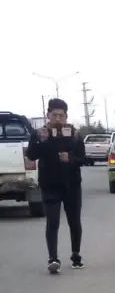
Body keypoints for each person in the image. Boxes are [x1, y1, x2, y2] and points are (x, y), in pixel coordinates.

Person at [26, 98, 85, 273]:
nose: (58, 118)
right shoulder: (39, 134)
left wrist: (71, 159)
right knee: (52, 222)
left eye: (62, 115)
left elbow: (83, 158)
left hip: (72, 185)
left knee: (74, 222)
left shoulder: (74, 134)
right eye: (54, 115)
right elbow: (31, 155)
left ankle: (76, 256)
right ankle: (53, 258)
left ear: (66, 116)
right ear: (48, 115)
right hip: (50, 184)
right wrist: (41, 141)